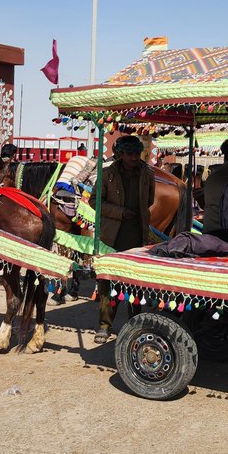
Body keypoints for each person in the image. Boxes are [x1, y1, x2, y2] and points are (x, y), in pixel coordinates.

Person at [94, 135, 155, 343]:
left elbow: (150, 199)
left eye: (137, 153)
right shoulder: (106, 174)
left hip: (137, 233)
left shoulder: (147, 173)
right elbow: (96, 202)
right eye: (130, 154)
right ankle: (104, 325)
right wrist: (121, 212)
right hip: (112, 235)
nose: (134, 157)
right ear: (120, 154)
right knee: (108, 283)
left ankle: (135, 321)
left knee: (135, 281)